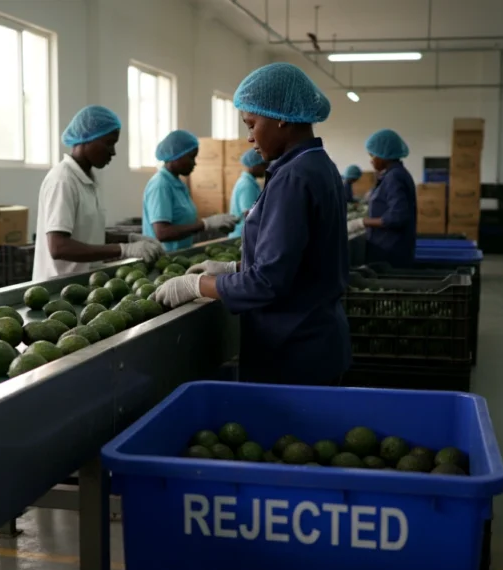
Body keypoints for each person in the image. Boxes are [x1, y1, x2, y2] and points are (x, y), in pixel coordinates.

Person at [153, 63, 350, 386]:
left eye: (252, 123)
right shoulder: (319, 165)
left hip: (293, 348)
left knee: (288, 438)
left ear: (281, 117)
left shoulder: (293, 177)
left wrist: (196, 286)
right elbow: (299, 257)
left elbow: (269, 283)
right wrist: (234, 267)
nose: (249, 138)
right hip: (315, 339)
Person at [33, 105, 164, 280]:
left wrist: (130, 238)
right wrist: (123, 250)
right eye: (109, 143)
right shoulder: (62, 180)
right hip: (58, 290)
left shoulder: (88, 180)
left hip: (84, 283)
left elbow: (89, 234)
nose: (113, 152)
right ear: (87, 138)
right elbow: (59, 247)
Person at [141, 130, 238, 251]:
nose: (194, 163)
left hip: (179, 256)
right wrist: (206, 224)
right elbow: (162, 233)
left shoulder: (178, 184)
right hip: (164, 260)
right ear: (176, 156)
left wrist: (217, 224)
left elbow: (183, 221)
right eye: (191, 157)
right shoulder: (160, 185)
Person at [347, 129, 417, 268]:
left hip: (390, 250)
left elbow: (397, 217)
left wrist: (362, 222)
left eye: (373, 155)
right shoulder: (393, 175)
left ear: (384, 155)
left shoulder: (394, 177)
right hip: (389, 247)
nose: (371, 160)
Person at [227, 149, 267, 239]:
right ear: (253, 165)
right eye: (263, 165)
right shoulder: (247, 185)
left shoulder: (251, 182)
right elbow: (249, 214)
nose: (266, 168)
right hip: (241, 236)